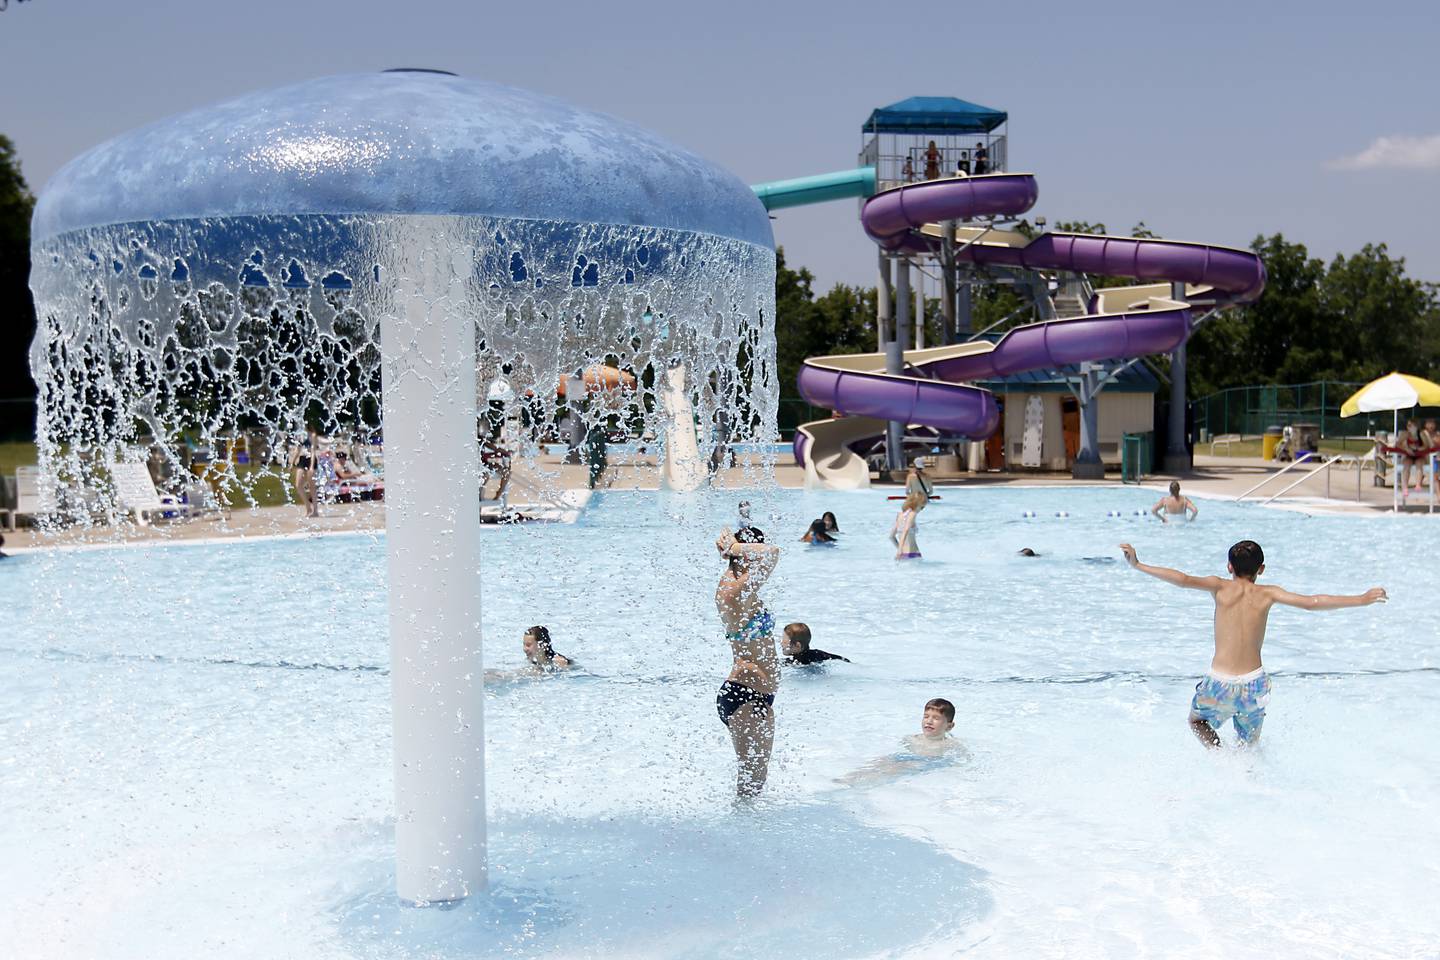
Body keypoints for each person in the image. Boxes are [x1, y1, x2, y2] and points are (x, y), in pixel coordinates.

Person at [1119, 540, 1386, 748]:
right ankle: (1244, 776)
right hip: (1253, 684)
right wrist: (1361, 599)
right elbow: (1311, 602)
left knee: (1197, 721)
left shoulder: (1219, 587)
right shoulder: (1269, 593)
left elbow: (1183, 579)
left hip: (1219, 682)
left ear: (1229, 567)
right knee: (1248, 748)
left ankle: (1219, 757)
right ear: (1261, 569)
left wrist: (1139, 565)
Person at [714, 525, 781, 798]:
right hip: (747, 695)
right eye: (753, 551)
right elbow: (773, 553)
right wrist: (735, 547)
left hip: (753, 694)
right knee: (752, 784)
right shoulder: (734, 589)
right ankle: (739, 835)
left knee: (753, 782)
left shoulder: (742, 585)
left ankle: (744, 833)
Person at [838, 698, 964, 785]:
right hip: (906, 757)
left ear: (949, 726)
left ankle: (867, 783)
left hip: (926, 763)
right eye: (926, 717)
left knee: (901, 767)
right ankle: (850, 777)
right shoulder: (912, 738)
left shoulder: (950, 744)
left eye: (936, 718)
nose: (929, 721)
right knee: (882, 761)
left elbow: (962, 760)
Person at [782, 622, 850, 666]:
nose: (781, 643)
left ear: (797, 646)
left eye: (784, 642)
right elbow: (843, 660)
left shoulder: (795, 663)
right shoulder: (818, 654)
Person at [288, 429, 320, 518]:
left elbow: (313, 451)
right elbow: (298, 450)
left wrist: (311, 466)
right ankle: (308, 507)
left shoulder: (312, 435)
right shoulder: (300, 435)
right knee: (298, 484)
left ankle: (315, 511)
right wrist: (292, 463)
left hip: (311, 459)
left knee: (312, 486)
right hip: (302, 459)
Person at [890, 491, 924, 560]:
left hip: (903, 555)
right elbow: (906, 530)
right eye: (922, 507)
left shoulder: (900, 515)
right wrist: (899, 550)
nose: (921, 509)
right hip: (913, 554)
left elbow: (891, 536)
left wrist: (900, 549)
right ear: (916, 504)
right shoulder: (912, 514)